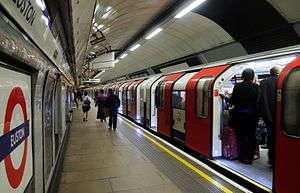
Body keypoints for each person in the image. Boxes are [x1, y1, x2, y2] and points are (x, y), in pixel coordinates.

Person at [231, 68, 260, 164]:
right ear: (252, 76)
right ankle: (250, 157)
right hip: (253, 116)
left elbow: (233, 101)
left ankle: (242, 156)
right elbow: (258, 102)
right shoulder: (256, 87)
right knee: (251, 136)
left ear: (243, 75)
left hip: (240, 116)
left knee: (241, 136)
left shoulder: (238, 86)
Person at [260, 66, 281, 165]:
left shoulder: (264, 82)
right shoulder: (281, 81)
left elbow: (263, 100)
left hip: (268, 116)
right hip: (280, 116)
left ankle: (272, 159)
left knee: (271, 137)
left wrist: (266, 116)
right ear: (278, 73)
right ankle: (277, 159)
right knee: (278, 138)